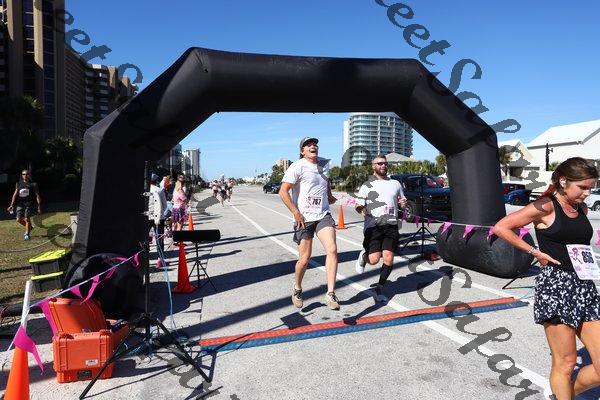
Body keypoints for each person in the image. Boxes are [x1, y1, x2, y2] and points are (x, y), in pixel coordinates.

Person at [493, 157, 600, 399]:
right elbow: (501, 227)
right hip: (556, 286)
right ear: (563, 181)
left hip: (584, 286)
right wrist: (535, 252)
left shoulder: (581, 209)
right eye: (583, 187)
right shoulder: (546, 206)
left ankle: (564, 393)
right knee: (566, 362)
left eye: (591, 188)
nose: (587, 193)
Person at [279, 136, 340, 310]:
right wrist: (296, 212)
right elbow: (283, 191)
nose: (313, 146)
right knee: (304, 259)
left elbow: (325, 181)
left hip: (323, 215)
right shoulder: (297, 166)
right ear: (302, 151)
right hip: (304, 218)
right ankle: (297, 288)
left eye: (315, 144)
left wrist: (329, 195)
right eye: (308, 145)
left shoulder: (324, 164)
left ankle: (330, 293)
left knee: (332, 249)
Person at [354, 155, 407, 301]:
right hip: (374, 226)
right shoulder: (367, 185)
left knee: (389, 258)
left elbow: (402, 201)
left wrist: (403, 204)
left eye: (385, 163)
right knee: (374, 259)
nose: (383, 165)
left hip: (391, 225)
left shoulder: (396, 183)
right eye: (380, 163)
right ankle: (363, 257)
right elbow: (358, 205)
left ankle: (379, 288)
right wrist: (362, 208)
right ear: (373, 166)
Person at [7, 169, 41, 240]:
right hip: (20, 204)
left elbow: (37, 195)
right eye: (23, 174)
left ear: (29, 175)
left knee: (27, 219)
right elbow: (15, 194)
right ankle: (30, 227)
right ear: (22, 175)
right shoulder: (18, 184)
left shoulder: (33, 184)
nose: (25, 175)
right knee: (18, 219)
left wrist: (39, 206)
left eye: (27, 174)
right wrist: (11, 205)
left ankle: (27, 234)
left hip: (29, 204)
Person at [148, 173, 168, 267]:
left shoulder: (145, 190)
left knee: (145, 238)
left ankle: (145, 258)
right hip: (159, 217)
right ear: (156, 181)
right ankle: (160, 260)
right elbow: (165, 205)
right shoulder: (159, 190)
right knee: (159, 238)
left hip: (147, 217)